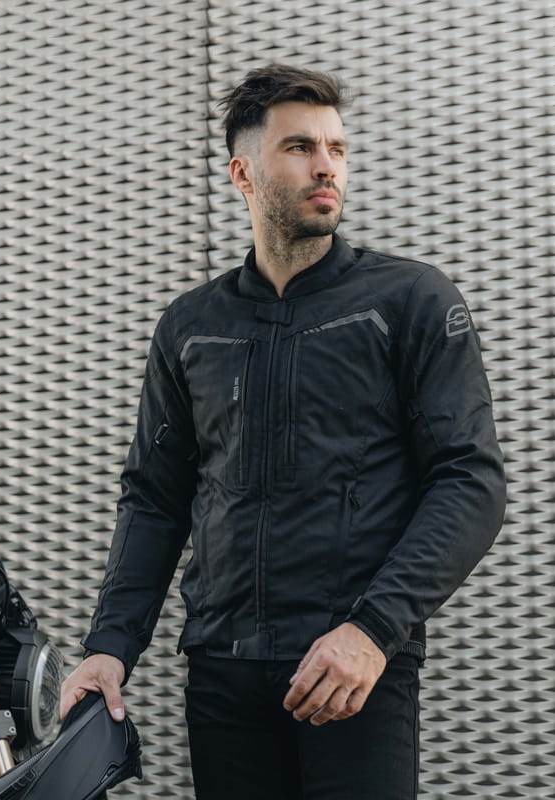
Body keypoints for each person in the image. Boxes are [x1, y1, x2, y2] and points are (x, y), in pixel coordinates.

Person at [60, 64, 506, 800]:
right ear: (244, 173)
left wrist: (372, 632)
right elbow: (155, 500)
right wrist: (110, 647)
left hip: (352, 672)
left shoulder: (409, 300)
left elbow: (470, 482)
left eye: (337, 148)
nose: (326, 165)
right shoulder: (191, 326)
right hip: (223, 678)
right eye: (300, 147)